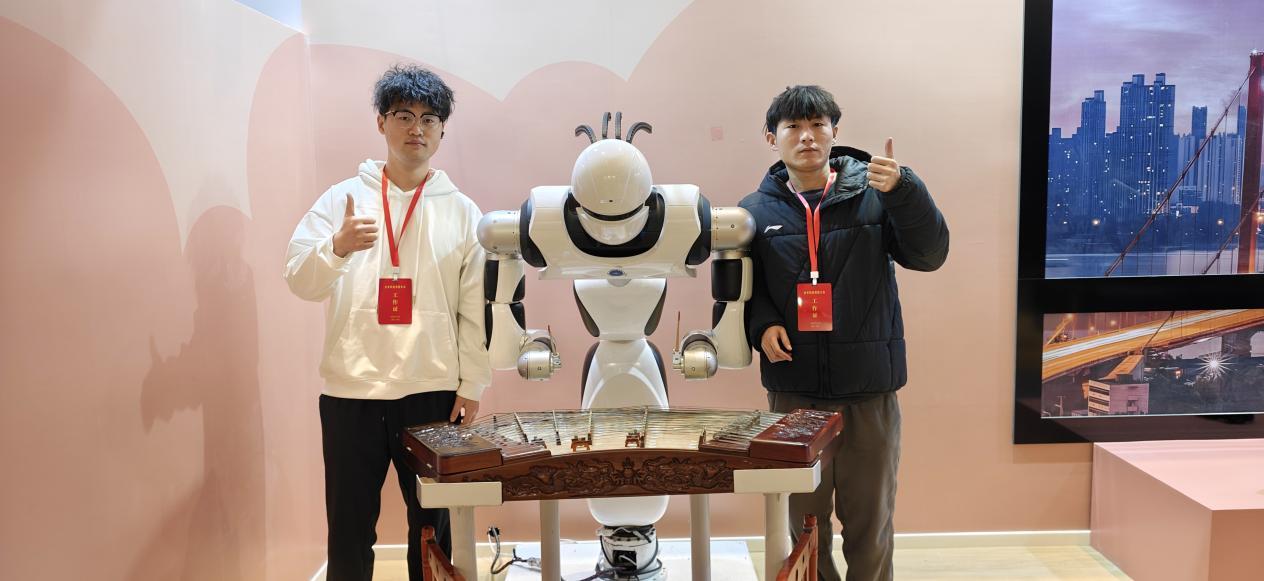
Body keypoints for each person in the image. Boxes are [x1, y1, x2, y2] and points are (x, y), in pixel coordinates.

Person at [284, 64, 490, 581]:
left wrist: (472, 384)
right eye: (403, 115)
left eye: (429, 118)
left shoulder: (463, 212)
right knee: (349, 530)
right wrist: (336, 247)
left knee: (434, 528)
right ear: (381, 123)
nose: (416, 128)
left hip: (432, 390)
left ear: (441, 130)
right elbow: (299, 280)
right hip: (351, 391)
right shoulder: (341, 200)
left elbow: (475, 309)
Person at [740, 85, 949, 581]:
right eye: (793, 127)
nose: (807, 137)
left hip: (869, 391)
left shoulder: (877, 194)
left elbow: (929, 255)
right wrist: (762, 324)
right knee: (802, 526)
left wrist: (905, 190)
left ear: (835, 131)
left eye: (818, 125)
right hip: (794, 392)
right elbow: (748, 290)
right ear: (772, 138)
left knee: (870, 525)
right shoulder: (754, 211)